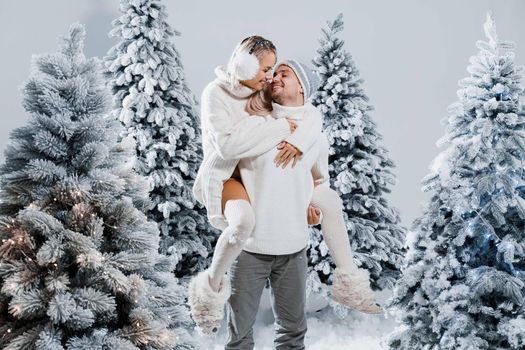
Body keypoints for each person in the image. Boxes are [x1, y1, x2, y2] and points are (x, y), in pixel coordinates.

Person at [189, 36, 381, 338]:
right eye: (268, 69)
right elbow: (229, 146)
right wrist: (280, 128)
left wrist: (305, 199)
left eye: (278, 72)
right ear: (245, 62)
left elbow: (311, 121)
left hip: (290, 241)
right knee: (243, 224)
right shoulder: (239, 101)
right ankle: (209, 292)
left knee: (328, 200)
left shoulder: (301, 123)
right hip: (228, 176)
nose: (271, 77)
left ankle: (350, 283)